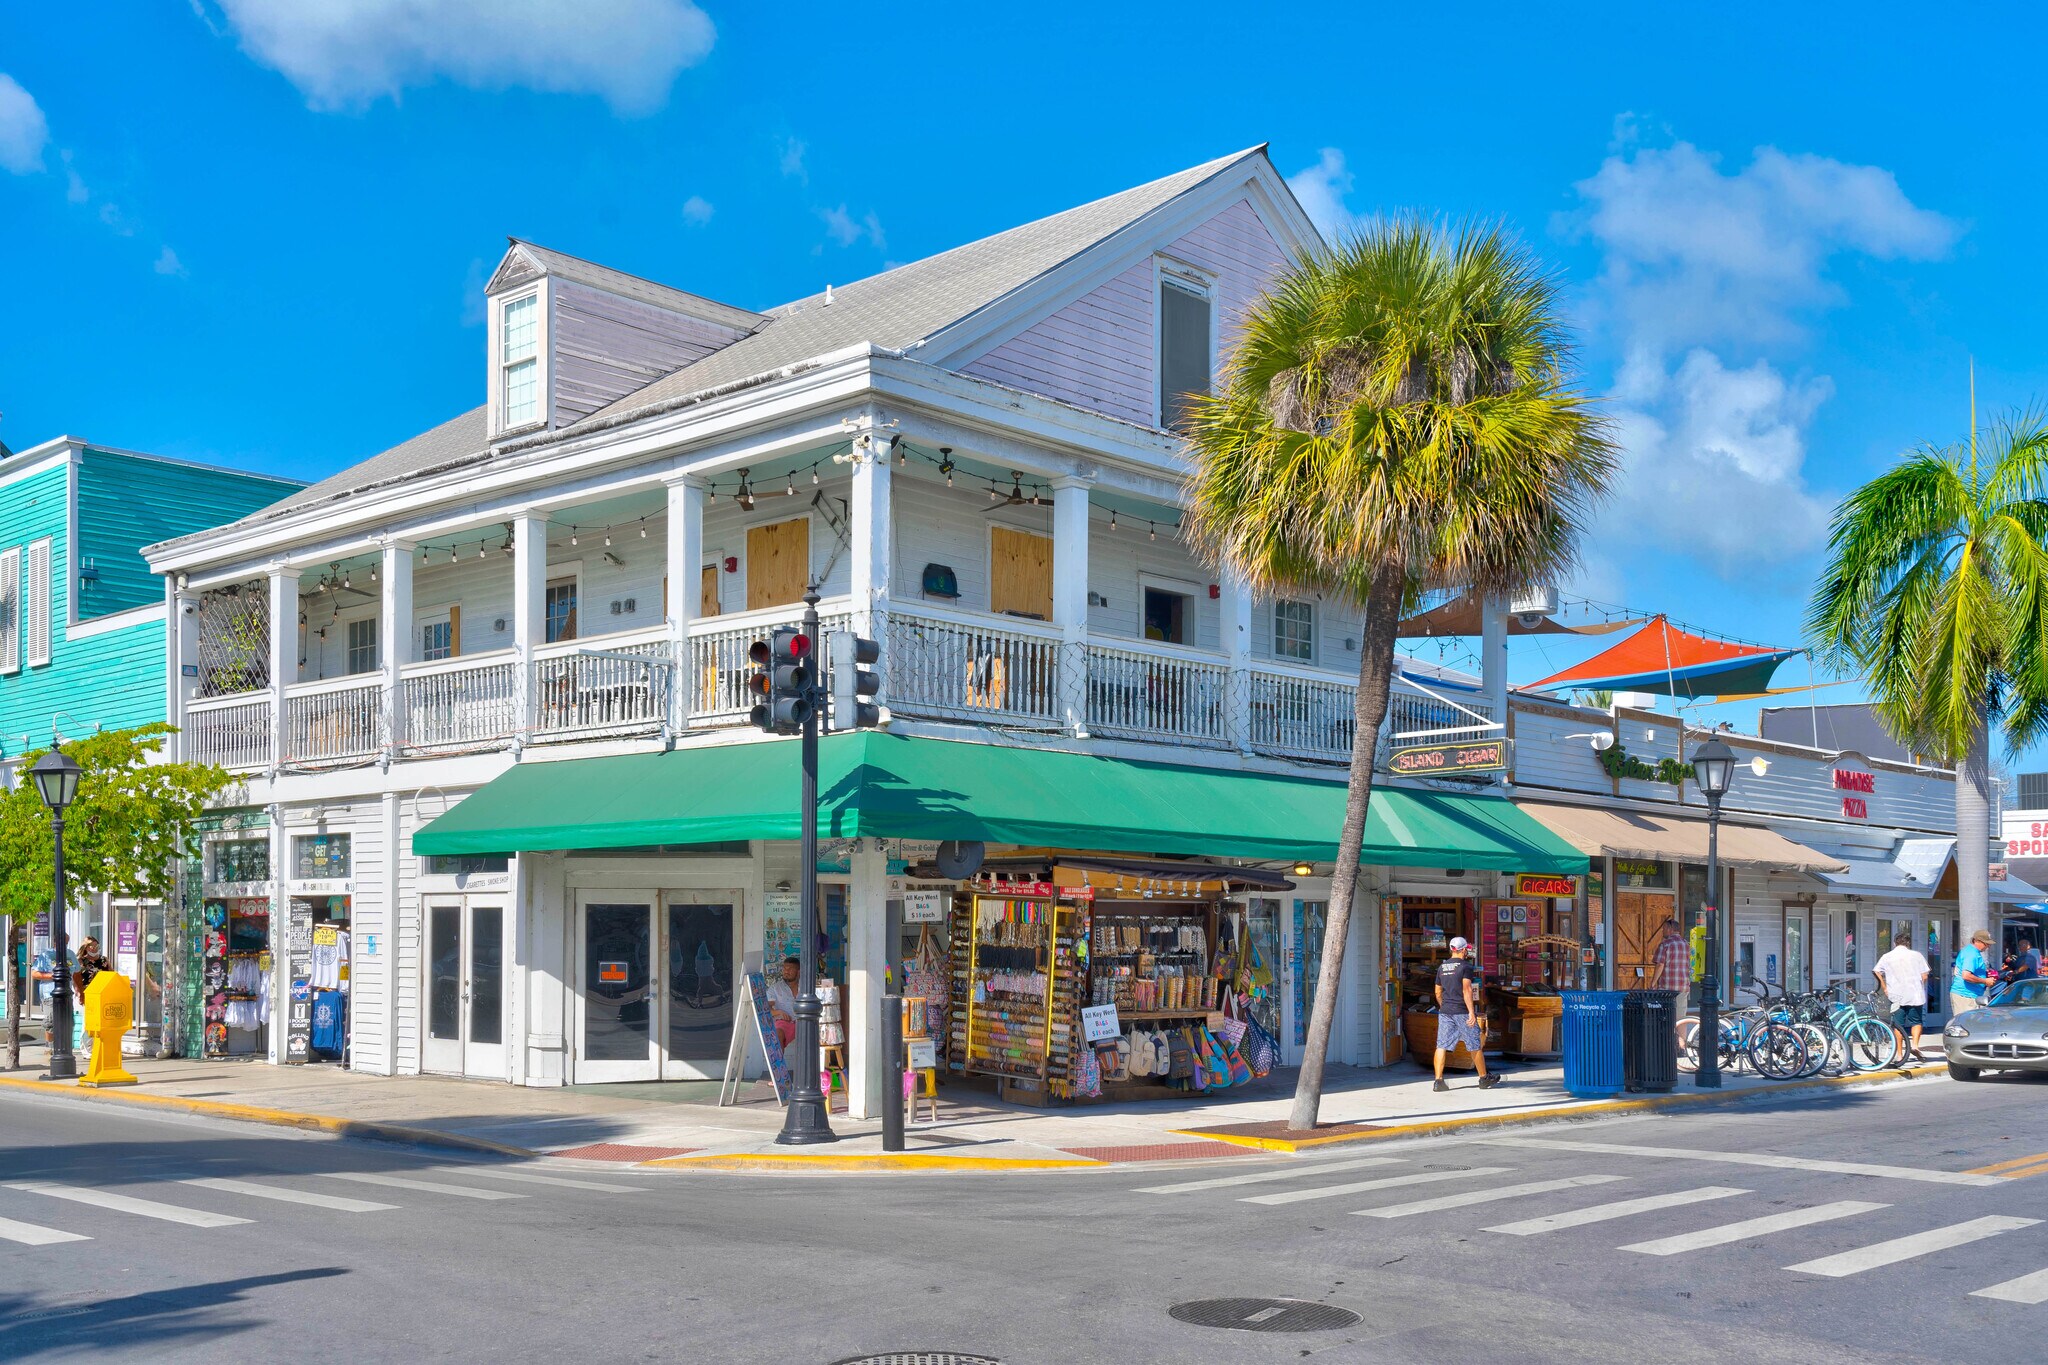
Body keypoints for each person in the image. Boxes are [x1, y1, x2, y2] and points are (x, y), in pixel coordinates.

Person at [1432, 937, 1497, 1092]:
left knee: (1441, 1045)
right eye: (1466, 948)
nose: (1467, 950)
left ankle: (1438, 1081)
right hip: (1462, 1010)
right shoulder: (1465, 966)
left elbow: (1437, 991)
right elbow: (1467, 989)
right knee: (1474, 1043)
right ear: (1462, 950)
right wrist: (1471, 1012)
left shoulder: (1442, 967)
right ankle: (1483, 1078)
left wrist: (1444, 1006)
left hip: (1446, 1011)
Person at [1873, 932, 1932, 1058]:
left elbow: (1876, 970)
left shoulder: (1887, 956)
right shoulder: (1917, 955)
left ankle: (1899, 1054)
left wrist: (1884, 986)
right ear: (1908, 943)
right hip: (1914, 994)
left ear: (1895, 943)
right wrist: (1920, 984)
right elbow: (1925, 975)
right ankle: (1915, 1045)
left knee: (1898, 1025)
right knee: (1916, 1021)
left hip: (1895, 994)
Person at [1951, 929, 1995, 1018]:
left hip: (1969, 994)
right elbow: (1966, 976)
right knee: (1966, 1025)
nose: (1988, 946)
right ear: (1977, 941)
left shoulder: (1971, 951)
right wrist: (1985, 981)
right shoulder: (1971, 954)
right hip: (1965, 995)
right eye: (1986, 943)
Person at [766, 955, 800, 1049]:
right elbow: (766, 1009)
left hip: (804, 1021)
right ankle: (778, 1063)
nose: (786, 971)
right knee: (778, 1034)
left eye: (790, 969)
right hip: (785, 1022)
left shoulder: (805, 987)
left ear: (798, 972)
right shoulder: (775, 988)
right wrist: (778, 1012)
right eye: (784, 968)